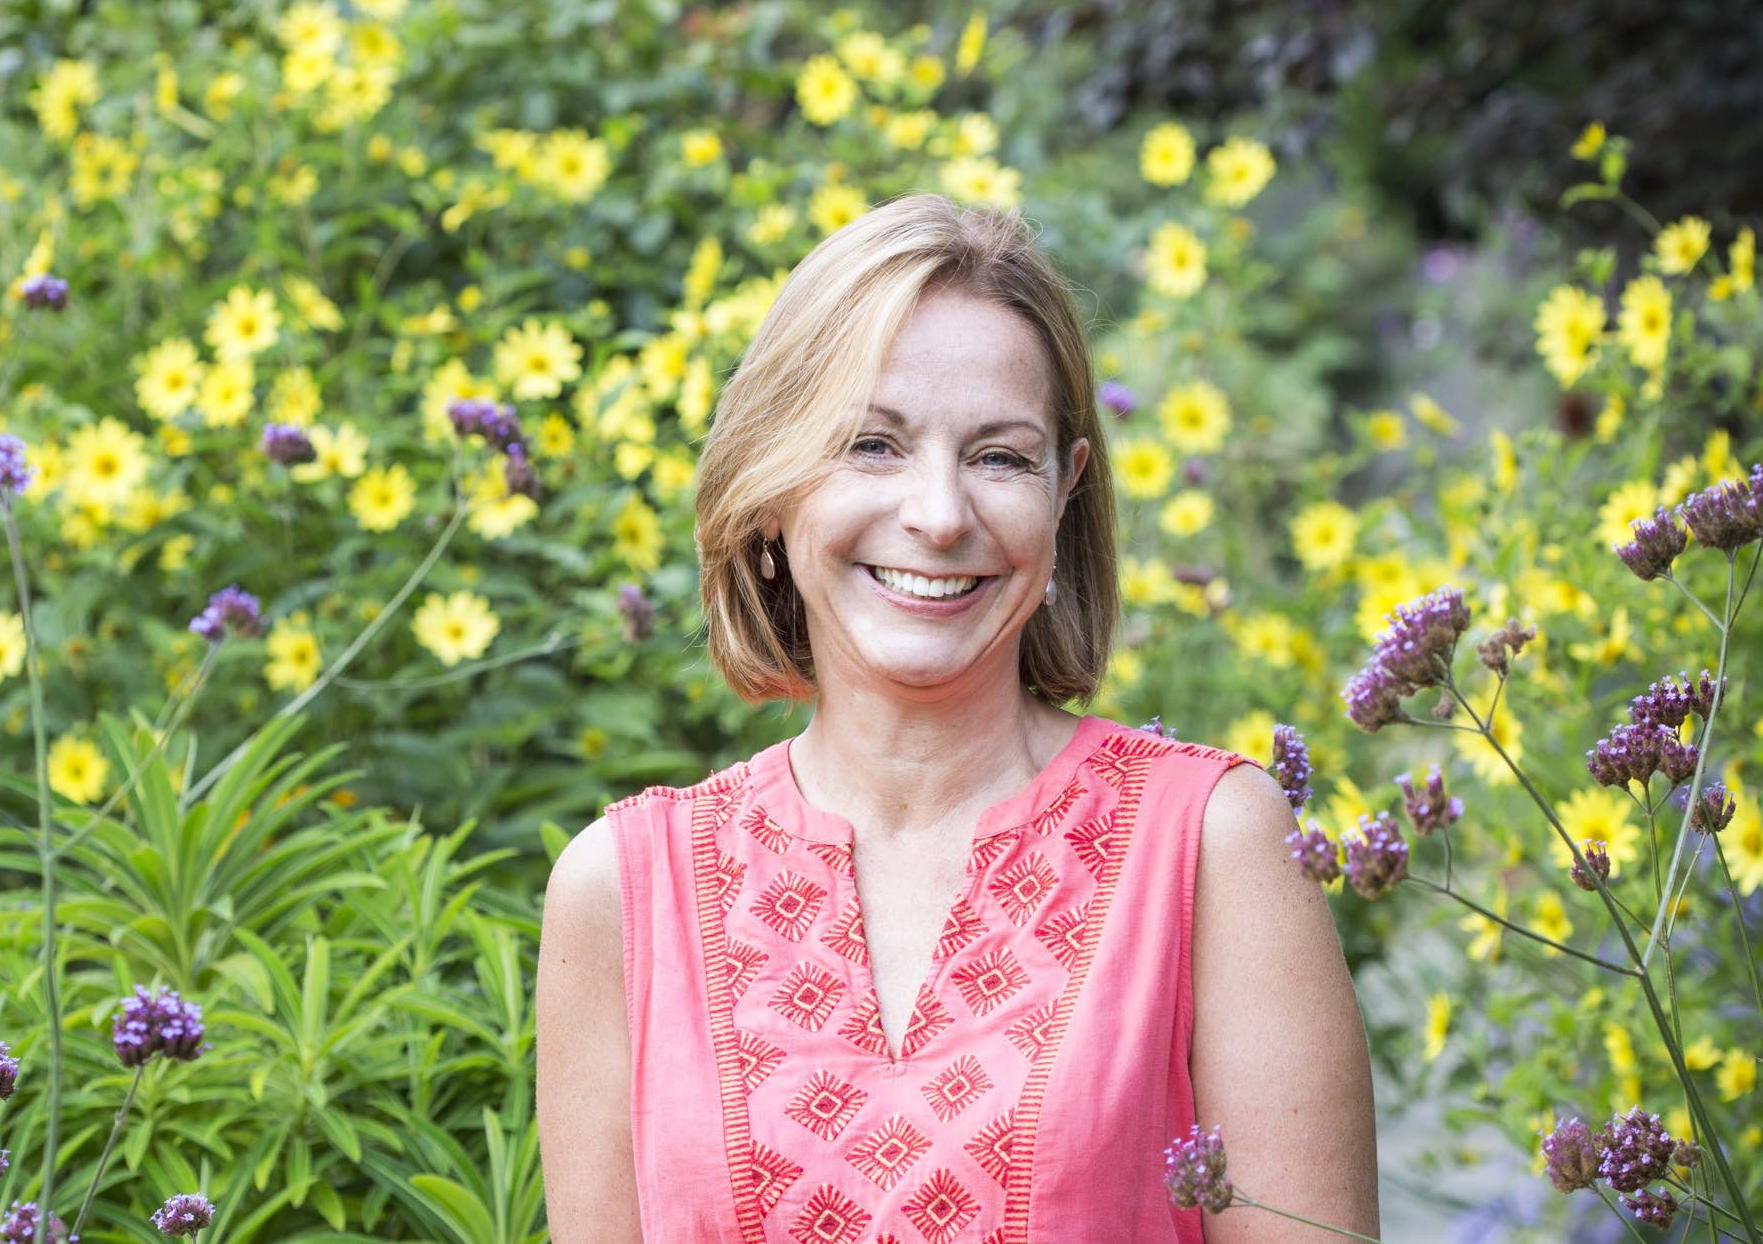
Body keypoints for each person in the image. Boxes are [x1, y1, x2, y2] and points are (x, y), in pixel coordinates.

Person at [537, 192, 1378, 1241]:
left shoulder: (1214, 848)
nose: (938, 515)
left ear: (1064, 490)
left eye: (999, 457)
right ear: (769, 485)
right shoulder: (621, 891)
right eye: (871, 445)